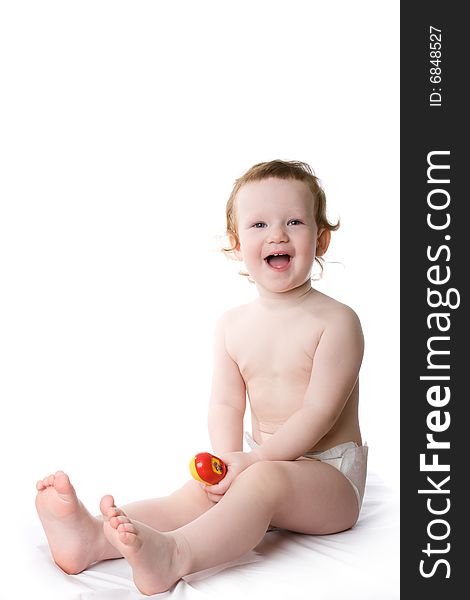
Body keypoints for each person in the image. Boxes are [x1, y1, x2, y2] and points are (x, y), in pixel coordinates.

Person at [35, 159, 368, 596]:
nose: (277, 235)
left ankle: (175, 555)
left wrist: (251, 463)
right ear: (235, 243)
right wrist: (228, 462)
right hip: (261, 462)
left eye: (294, 221)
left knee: (263, 482)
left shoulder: (337, 322)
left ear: (320, 239)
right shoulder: (232, 325)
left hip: (330, 479)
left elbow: (319, 412)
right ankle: (93, 539)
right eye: (259, 224)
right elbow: (226, 404)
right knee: (199, 493)